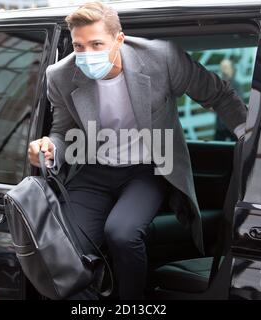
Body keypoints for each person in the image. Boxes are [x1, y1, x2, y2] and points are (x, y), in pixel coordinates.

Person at [28, 1, 247, 299]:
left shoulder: (161, 58)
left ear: (119, 39)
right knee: (64, 246)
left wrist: (249, 136)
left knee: (122, 233)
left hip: (148, 168)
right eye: (79, 47)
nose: (87, 54)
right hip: (94, 169)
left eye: (96, 44)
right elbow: (64, 132)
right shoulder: (60, 75)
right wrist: (51, 147)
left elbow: (218, 94)